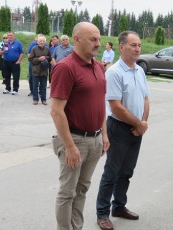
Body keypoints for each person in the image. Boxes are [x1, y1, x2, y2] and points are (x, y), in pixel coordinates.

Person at [50, 22, 109, 230]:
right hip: (74, 140)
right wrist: (70, 146)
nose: (98, 44)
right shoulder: (65, 68)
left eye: (99, 39)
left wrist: (104, 134)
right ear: (76, 39)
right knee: (67, 193)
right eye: (93, 39)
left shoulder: (98, 67)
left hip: (94, 140)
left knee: (82, 189)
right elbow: (56, 111)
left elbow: (99, 102)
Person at [96, 31, 150, 230]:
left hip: (136, 128)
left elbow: (145, 99)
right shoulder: (114, 72)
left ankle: (119, 206)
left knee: (127, 171)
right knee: (112, 172)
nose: (137, 49)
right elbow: (116, 106)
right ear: (121, 47)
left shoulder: (140, 70)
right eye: (133, 45)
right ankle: (102, 213)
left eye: (139, 45)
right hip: (118, 128)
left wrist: (142, 123)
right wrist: (138, 124)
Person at [29, 35, 51, 105]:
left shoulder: (47, 49)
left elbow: (50, 58)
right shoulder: (34, 49)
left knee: (43, 86)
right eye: (40, 41)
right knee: (35, 85)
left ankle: (44, 99)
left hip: (44, 70)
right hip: (36, 70)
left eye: (43, 41)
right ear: (37, 42)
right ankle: (35, 99)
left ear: (45, 42)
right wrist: (38, 59)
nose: (42, 42)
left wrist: (45, 57)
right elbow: (30, 59)